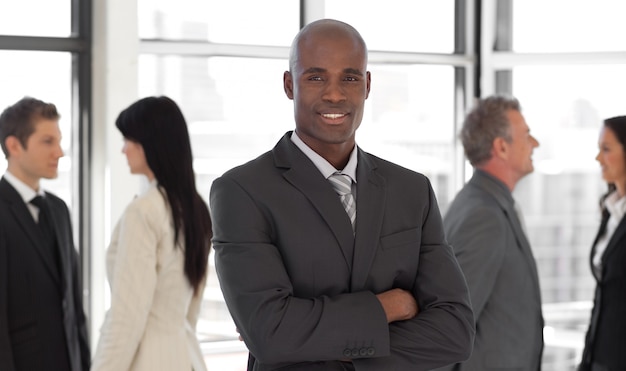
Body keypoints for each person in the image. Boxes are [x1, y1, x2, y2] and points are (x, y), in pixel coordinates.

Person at [210, 19, 474, 371]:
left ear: (366, 86)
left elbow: (454, 332)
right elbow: (270, 334)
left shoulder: (412, 190)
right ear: (290, 85)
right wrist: (388, 308)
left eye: (349, 78)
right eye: (316, 77)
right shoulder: (242, 192)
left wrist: (319, 342)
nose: (335, 94)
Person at [91, 96, 211, 371]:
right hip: (187, 357)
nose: (123, 150)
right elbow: (192, 307)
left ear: (150, 144)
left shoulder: (143, 211)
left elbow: (127, 316)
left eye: (128, 140)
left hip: (147, 361)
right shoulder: (196, 208)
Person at [435, 95, 543, 371]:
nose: (535, 144)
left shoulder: (486, 203)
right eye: (527, 135)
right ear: (501, 147)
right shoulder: (483, 216)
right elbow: (448, 329)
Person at [0, 97, 90, 371]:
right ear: (14, 145)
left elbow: (73, 304)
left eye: (59, 141)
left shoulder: (59, 209)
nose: (60, 152)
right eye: (48, 141)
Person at [579, 116, 626, 371]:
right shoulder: (610, 210)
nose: (599, 158)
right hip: (600, 356)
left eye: (606, 149)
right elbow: (602, 296)